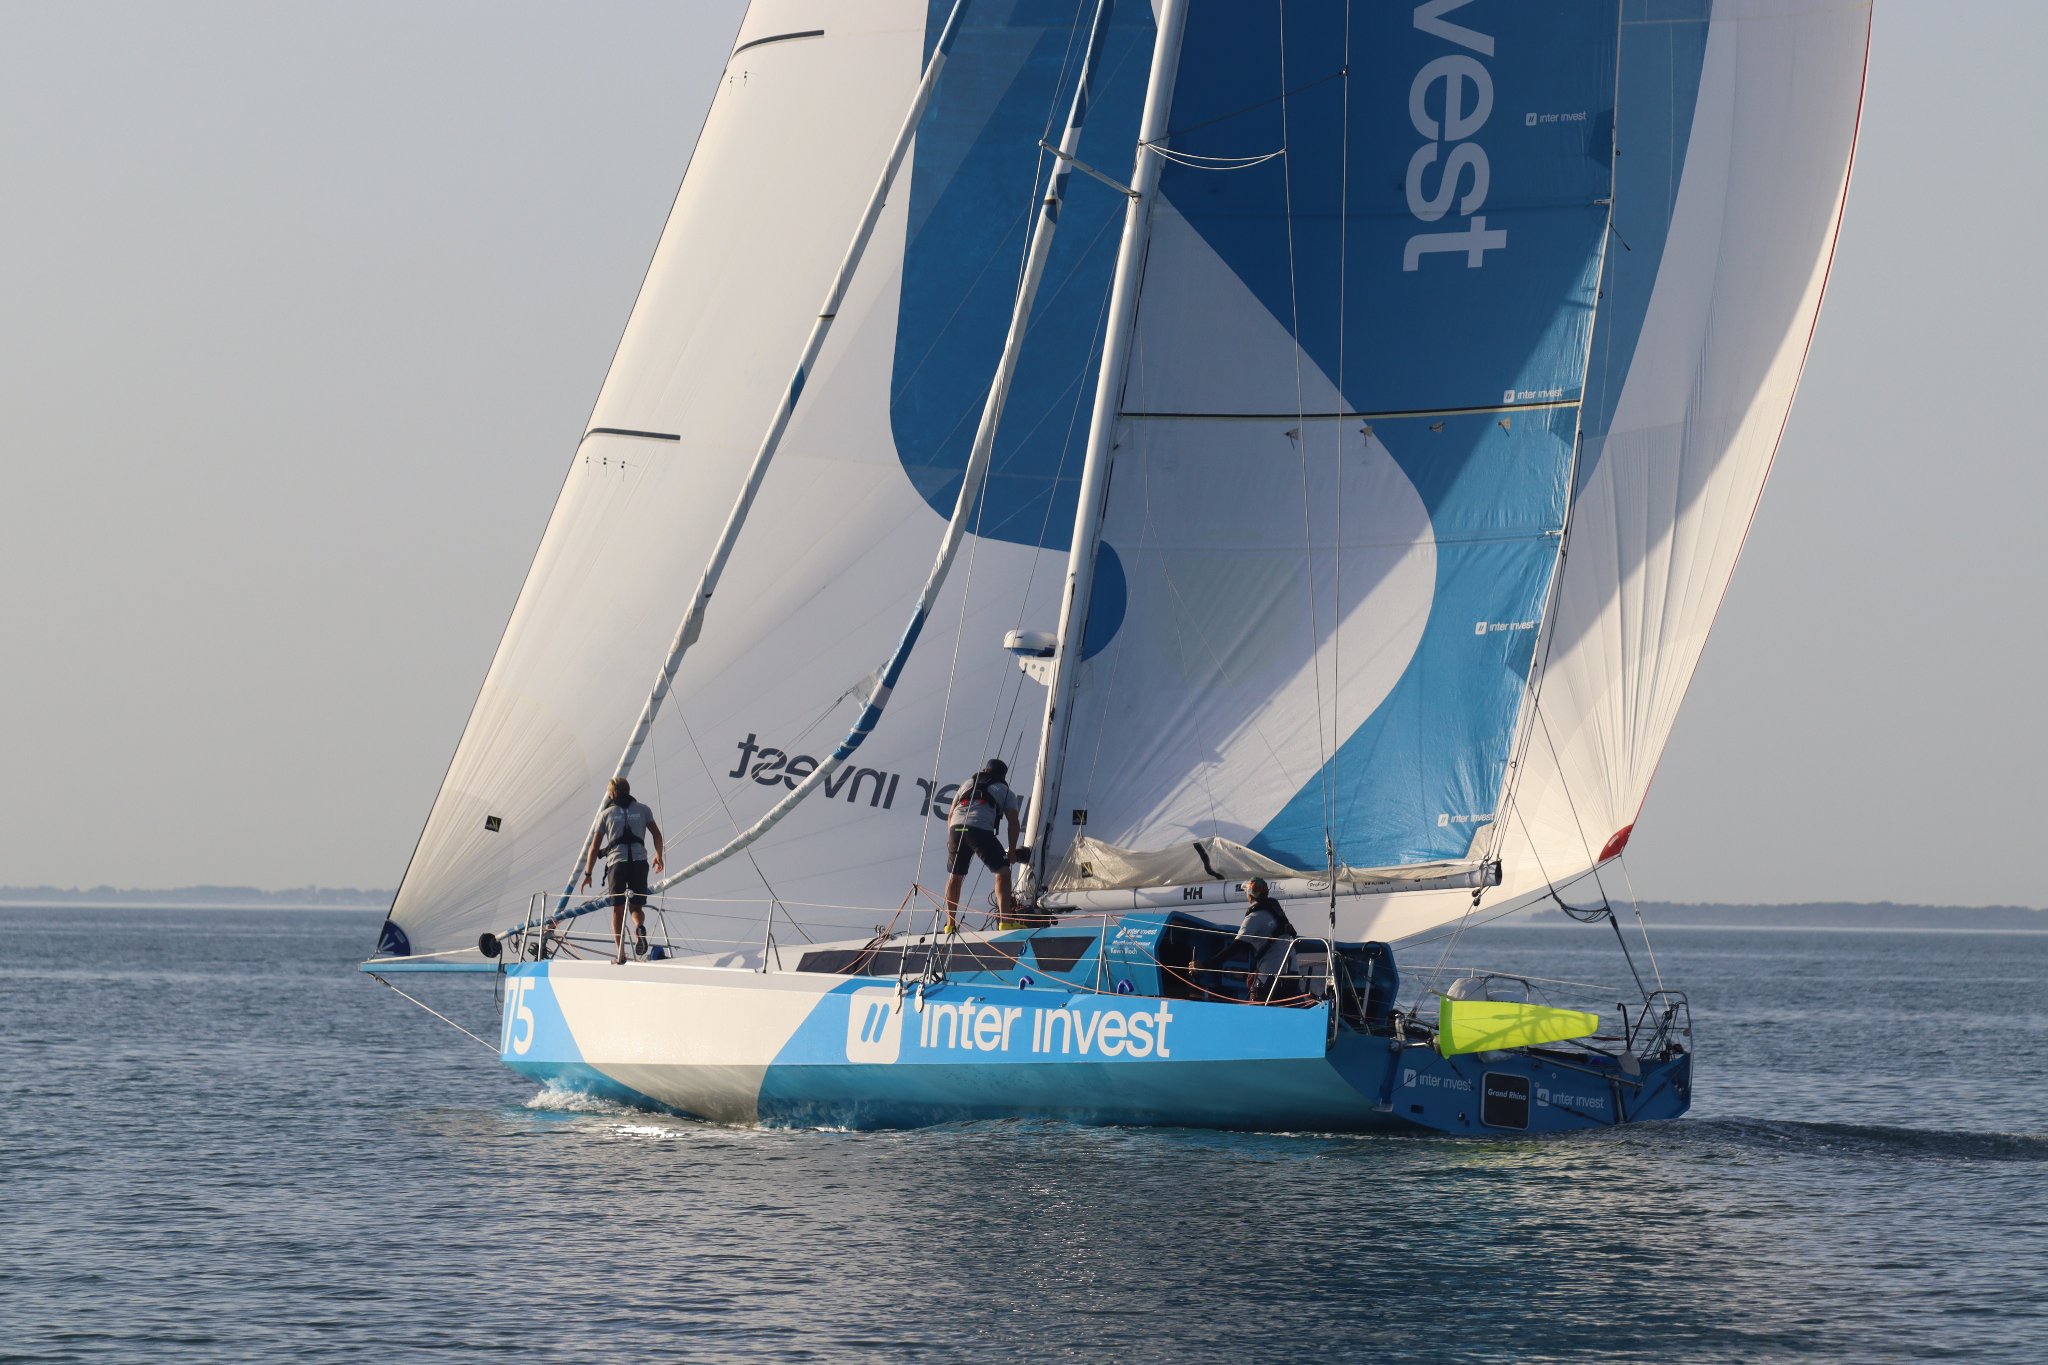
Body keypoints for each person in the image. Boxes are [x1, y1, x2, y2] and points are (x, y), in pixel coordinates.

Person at [580, 777, 665, 964]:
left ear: (611, 794)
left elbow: (594, 848)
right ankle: (639, 926)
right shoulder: (644, 810)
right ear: (629, 790)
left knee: (617, 910)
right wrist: (658, 855)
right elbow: (656, 834)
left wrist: (588, 874)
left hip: (617, 864)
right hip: (639, 862)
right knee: (636, 906)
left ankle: (620, 954)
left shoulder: (605, 814)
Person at [942, 758, 1022, 933]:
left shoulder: (967, 783)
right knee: (1002, 872)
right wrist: (1013, 851)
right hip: (979, 830)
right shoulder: (1007, 791)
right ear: (1003, 776)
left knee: (955, 876)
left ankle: (950, 925)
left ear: (985, 770)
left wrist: (953, 839)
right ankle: (1005, 921)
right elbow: (1014, 823)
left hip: (955, 829)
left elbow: (950, 815)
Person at [1190, 878, 1300, 1003]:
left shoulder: (1254, 918)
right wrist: (1257, 971)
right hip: (1292, 976)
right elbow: (1269, 948)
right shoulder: (1276, 913)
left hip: (1272, 978)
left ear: (1249, 895)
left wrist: (1205, 965)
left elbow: (1236, 948)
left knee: (1256, 1011)